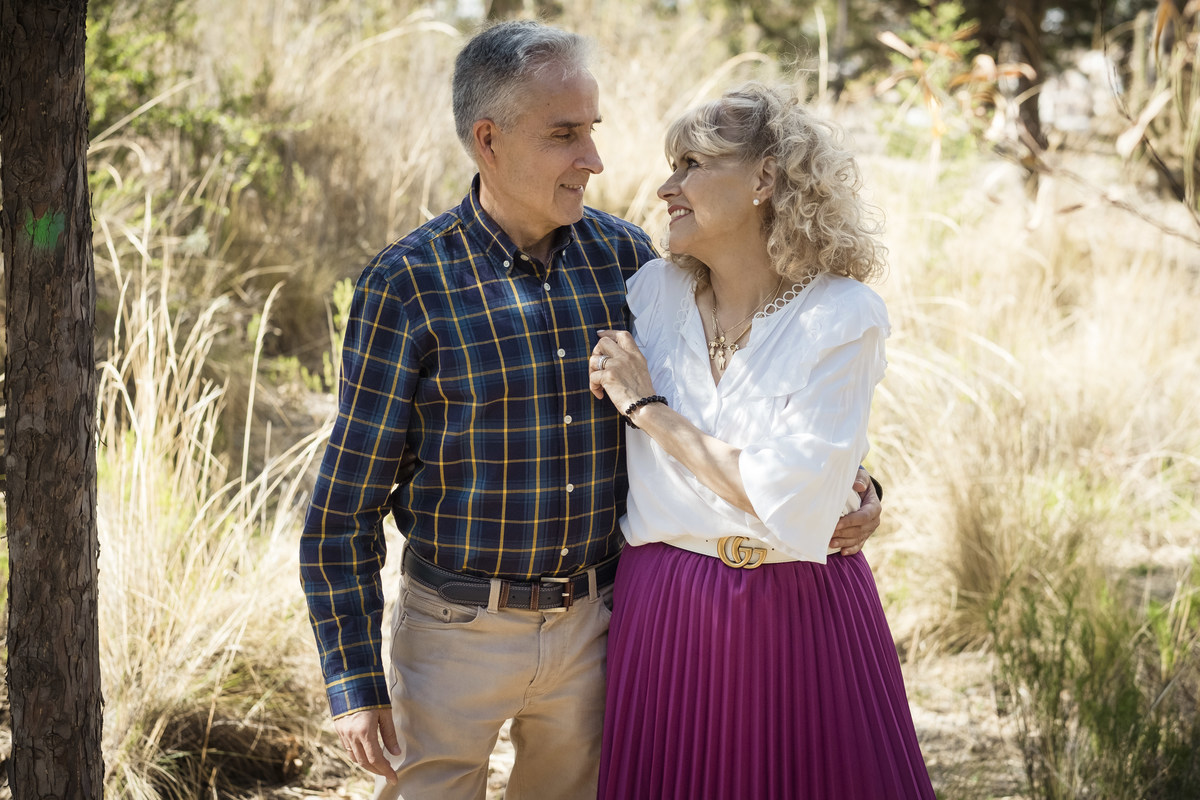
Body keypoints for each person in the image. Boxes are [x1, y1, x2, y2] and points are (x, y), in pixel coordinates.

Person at [299, 22, 883, 800]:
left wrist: (856, 486)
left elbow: (739, 401)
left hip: (602, 626)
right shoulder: (407, 286)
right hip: (455, 632)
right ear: (489, 140)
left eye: (593, 132)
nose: (595, 160)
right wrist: (353, 684)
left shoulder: (629, 266)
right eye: (565, 135)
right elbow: (343, 508)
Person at [589, 82, 935, 799]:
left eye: (690, 163)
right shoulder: (649, 293)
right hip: (666, 610)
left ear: (764, 179)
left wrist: (648, 409)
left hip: (800, 614)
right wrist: (847, 478)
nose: (666, 186)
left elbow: (789, 488)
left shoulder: (842, 315)